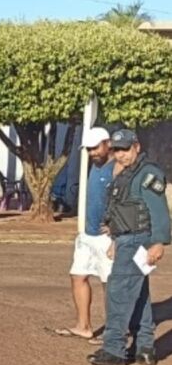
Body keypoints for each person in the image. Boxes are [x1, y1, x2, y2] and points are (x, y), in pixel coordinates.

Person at [88, 129, 171, 365]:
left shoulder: (148, 174)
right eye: (116, 150)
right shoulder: (127, 174)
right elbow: (121, 210)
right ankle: (145, 348)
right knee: (139, 294)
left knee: (119, 292)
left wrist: (158, 243)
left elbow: (159, 211)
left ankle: (114, 349)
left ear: (137, 146)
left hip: (139, 240)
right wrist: (115, 239)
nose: (121, 154)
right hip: (126, 238)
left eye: (125, 149)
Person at [53, 127, 120, 343]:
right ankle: (84, 326)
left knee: (109, 283)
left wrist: (116, 229)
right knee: (78, 276)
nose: (92, 153)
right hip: (87, 234)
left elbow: (125, 201)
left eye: (95, 148)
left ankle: (114, 331)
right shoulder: (93, 165)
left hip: (106, 237)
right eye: (89, 149)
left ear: (107, 143)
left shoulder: (117, 168)